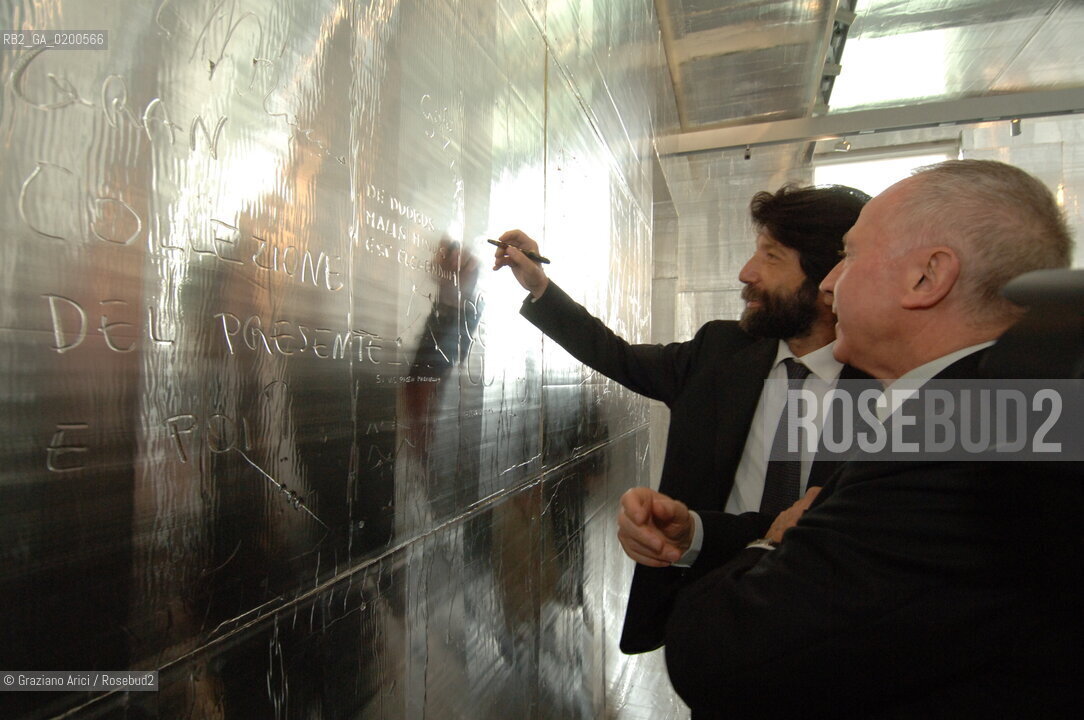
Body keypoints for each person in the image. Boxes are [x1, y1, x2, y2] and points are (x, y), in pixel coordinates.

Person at [662, 159, 1080, 717]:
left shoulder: (953, 445)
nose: (830, 282)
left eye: (851, 255)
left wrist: (776, 540)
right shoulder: (1014, 410)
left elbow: (720, 655)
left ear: (928, 277)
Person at [493, 184, 871, 653]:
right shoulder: (720, 352)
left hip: (833, 634)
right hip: (713, 611)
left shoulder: (895, 386)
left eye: (771, 257)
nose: (746, 273)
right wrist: (539, 285)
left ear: (830, 277)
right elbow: (618, 357)